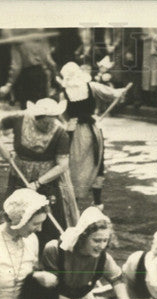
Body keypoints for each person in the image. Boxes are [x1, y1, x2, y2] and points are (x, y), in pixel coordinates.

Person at [0, 97, 79, 250]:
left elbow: (62, 165)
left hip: (46, 182)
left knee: (46, 224)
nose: (49, 125)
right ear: (37, 117)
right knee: (15, 217)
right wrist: (2, 148)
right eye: (45, 122)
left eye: (53, 120)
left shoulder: (60, 133)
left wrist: (38, 183)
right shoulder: (20, 119)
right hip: (18, 178)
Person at [41, 205, 129, 299]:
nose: (101, 246)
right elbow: (49, 295)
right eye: (96, 240)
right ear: (83, 237)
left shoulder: (103, 258)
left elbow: (117, 278)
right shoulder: (55, 251)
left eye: (105, 240)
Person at [58, 62, 129, 208]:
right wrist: (121, 91)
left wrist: (68, 122)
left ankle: (74, 201)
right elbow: (112, 93)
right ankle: (97, 201)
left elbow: (61, 114)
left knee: (75, 165)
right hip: (92, 130)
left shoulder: (63, 94)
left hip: (74, 132)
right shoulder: (92, 86)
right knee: (96, 162)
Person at [0, 29, 58, 109]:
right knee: (42, 109)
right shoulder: (41, 39)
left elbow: (16, 66)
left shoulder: (18, 43)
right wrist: (56, 75)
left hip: (26, 78)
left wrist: (9, 84)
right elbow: (50, 61)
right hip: (41, 75)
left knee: (28, 110)